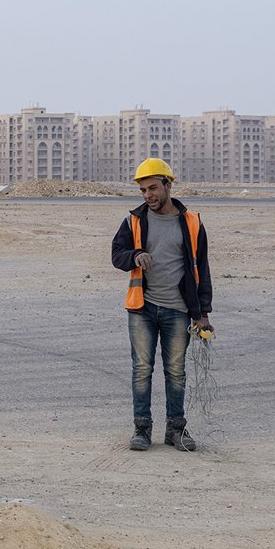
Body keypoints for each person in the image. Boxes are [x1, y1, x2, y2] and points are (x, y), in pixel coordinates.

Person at [110, 158, 213, 452]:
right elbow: (117, 255)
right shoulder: (133, 220)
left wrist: (202, 313)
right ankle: (142, 429)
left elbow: (201, 268)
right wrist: (135, 255)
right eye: (143, 190)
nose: (148, 195)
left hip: (179, 310)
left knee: (176, 371)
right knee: (141, 369)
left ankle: (176, 430)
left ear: (168, 185)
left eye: (153, 188)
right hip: (142, 309)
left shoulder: (192, 222)